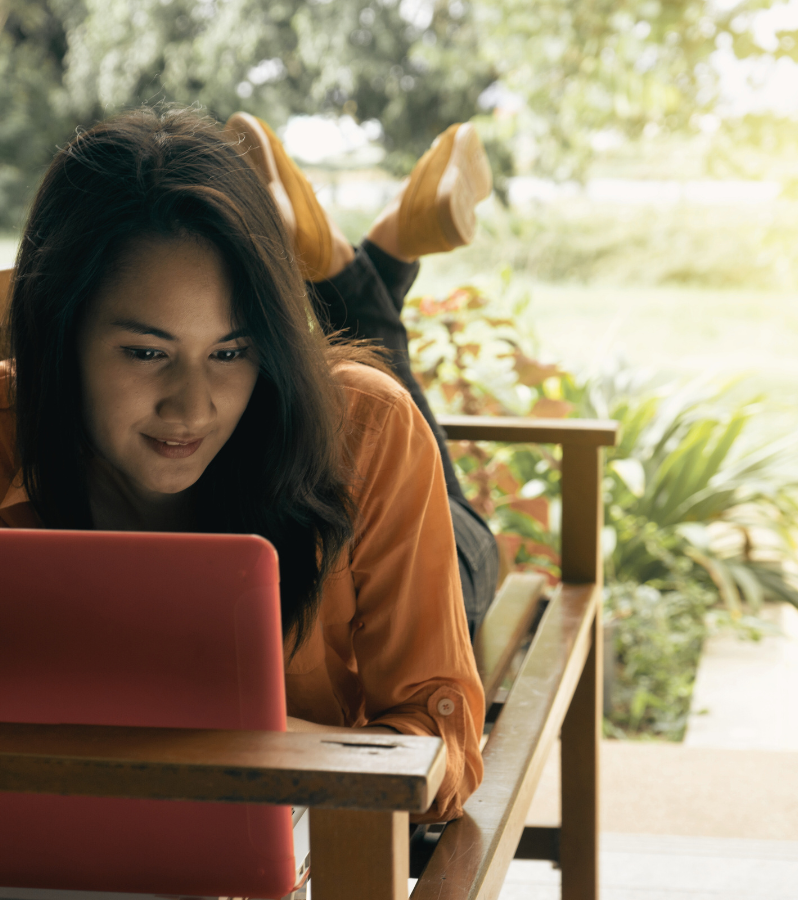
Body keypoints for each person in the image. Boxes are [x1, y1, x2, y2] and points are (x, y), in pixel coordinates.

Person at [0, 105, 495, 823]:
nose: (193, 408)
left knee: (460, 531)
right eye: (146, 353)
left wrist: (222, 752)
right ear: (53, 336)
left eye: (231, 351)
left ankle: (362, 276)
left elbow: (441, 751)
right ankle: (362, 267)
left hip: (411, 522)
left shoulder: (366, 430)